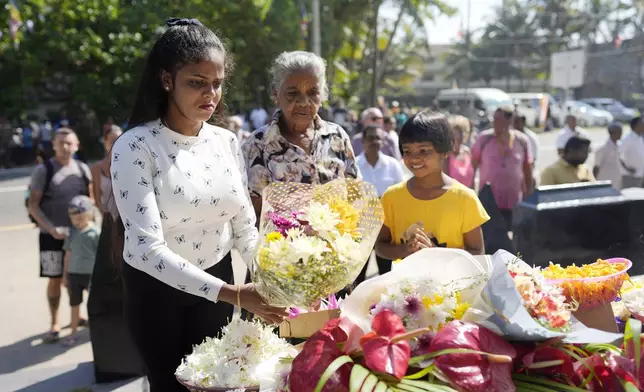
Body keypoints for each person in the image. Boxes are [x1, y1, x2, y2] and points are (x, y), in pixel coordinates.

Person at [110, 18, 287, 392]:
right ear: (166, 79)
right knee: (173, 387)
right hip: (157, 295)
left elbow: (244, 227)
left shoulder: (225, 141)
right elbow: (145, 248)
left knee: (223, 384)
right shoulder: (135, 146)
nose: (211, 94)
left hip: (219, 282)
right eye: (197, 82)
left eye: (217, 83)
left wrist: (274, 279)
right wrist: (236, 294)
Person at [242, 51, 360, 219]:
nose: (304, 102)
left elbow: (355, 197)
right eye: (293, 93)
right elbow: (253, 217)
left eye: (312, 93)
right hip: (279, 244)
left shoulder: (337, 137)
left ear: (323, 95)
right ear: (276, 94)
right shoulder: (257, 146)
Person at [375, 111, 490, 260]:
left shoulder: (465, 199)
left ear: (445, 151)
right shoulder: (391, 197)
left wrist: (437, 254)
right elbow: (380, 246)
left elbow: (477, 252)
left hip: (453, 283)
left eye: (424, 151)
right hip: (404, 283)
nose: (414, 158)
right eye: (407, 151)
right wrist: (405, 250)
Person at [27, 128, 93, 343]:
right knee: (55, 279)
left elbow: (90, 202)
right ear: (53, 145)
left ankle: (78, 314)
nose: (65, 147)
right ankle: (55, 322)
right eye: (60, 143)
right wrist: (49, 227)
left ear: (76, 145)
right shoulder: (44, 170)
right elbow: (33, 205)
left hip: (79, 236)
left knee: (80, 277)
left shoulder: (83, 169)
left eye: (69, 143)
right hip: (51, 237)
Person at [355, 125, 405, 283]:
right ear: (363, 141)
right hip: (361, 230)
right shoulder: (354, 166)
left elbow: (401, 195)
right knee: (358, 278)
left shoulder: (393, 165)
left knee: (387, 277)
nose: (375, 142)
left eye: (378, 138)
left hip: (387, 230)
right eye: (371, 138)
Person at [471, 107, 533, 230]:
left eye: (498, 119)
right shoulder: (484, 139)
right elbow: (473, 165)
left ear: (510, 120)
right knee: (490, 238)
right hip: (489, 200)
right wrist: (472, 191)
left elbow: (527, 168)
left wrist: (528, 193)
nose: (493, 122)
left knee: (513, 237)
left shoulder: (522, 141)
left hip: (513, 200)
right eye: (493, 119)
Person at [62, 195, 100, 346]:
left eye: (80, 218)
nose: (77, 222)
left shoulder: (95, 233)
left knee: (94, 304)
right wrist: (65, 275)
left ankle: (96, 331)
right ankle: (73, 331)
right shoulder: (71, 233)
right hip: (74, 275)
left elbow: (100, 255)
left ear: (89, 215)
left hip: (91, 275)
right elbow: (68, 254)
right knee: (74, 304)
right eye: (74, 219)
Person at [91, 125, 123, 215]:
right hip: (107, 219)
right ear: (105, 143)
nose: (117, 144)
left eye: (120, 140)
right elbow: (97, 200)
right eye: (113, 141)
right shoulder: (97, 168)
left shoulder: (131, 165)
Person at [445, 115, 475, 188]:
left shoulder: (467, 152)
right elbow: (444, 184)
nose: (461, 135)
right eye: (457, 132)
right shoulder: (446, 155)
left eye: (463, 131)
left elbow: (472, 181)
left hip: (468, 197)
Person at [594, 122, 624, 189]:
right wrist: (594, 183)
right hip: (604, 182)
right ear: (612, 133)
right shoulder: (602, 148)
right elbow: (596, 167)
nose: (621, 134)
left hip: (617, 181)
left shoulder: (619, 145)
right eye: (619, 132)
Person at [621, 116, 644, 188]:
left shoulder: (640, 138)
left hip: (640, 175)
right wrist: (627, 168)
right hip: (630, 177)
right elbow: (617, 155)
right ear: (637, 126)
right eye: (642, 123)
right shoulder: (627, 139)